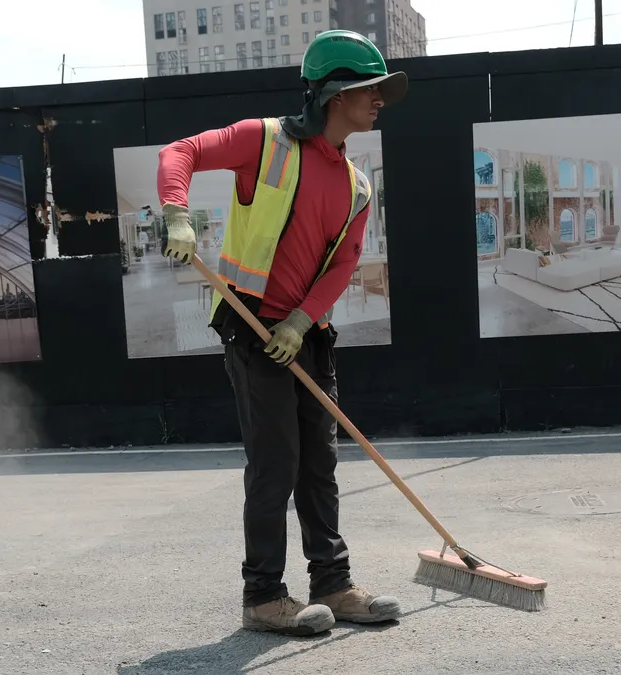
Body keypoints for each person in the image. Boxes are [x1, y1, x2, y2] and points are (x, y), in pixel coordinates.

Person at [155, 30, 408, 636]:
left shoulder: (358, 185)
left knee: (319, 462)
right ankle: (264, 596)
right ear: (334, 92)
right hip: (250, 326)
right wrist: (176, 214)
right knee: (276, 462)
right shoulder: (263, 142)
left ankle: (335, 585)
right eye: (370, 90)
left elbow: (345, 261)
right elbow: (180, 151)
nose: (379, 101)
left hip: (307, 333)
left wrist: (301, 319)